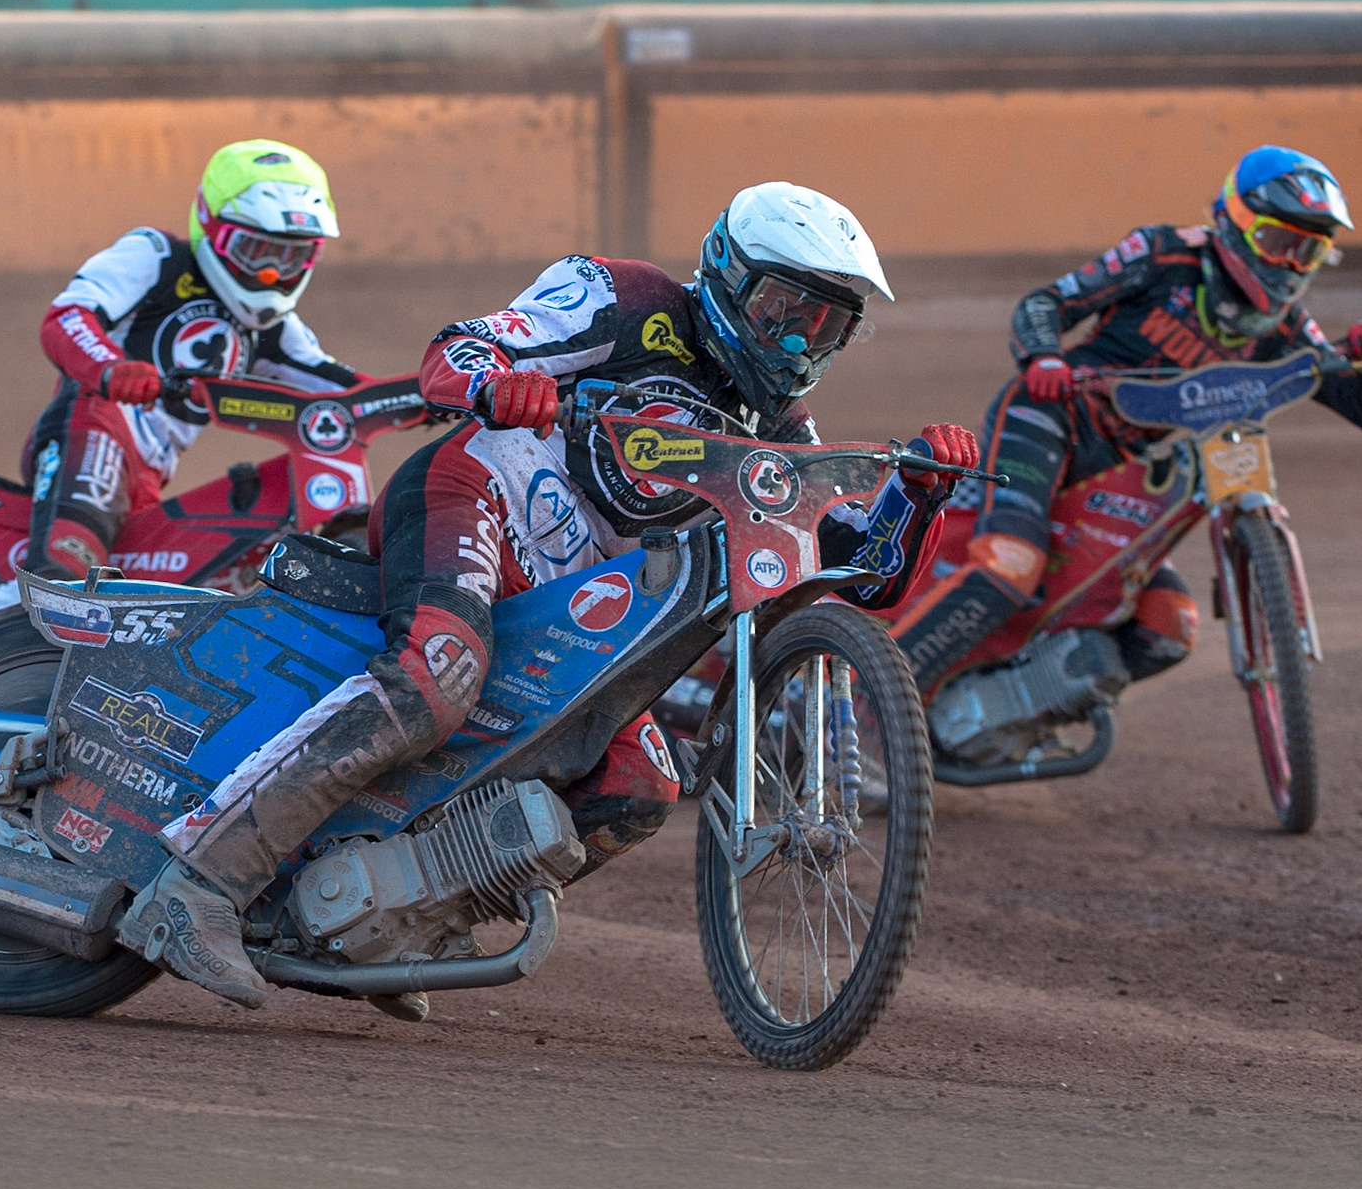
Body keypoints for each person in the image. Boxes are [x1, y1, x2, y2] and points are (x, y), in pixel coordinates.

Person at [122, 181, 980, 1012]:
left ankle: (397, 921)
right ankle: (196, 881)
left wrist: (920, 497)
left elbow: (865, 576)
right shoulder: (623, 296)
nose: (796, 343)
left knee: (641, 779)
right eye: (782, 311)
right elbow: (454, 350)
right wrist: (501, 382)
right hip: (474, 492)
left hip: (567, 600)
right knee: (436, 675)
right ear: (724, 269)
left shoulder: (779, 432)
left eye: (825, 327)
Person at [892, 145, 1362, 694]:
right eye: (1278, 242)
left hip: (1133, 471)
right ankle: (879, 702)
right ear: (1235, 221)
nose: (1288, 266)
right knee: (1010, 566)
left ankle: (1003, 702)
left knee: (1170, 624)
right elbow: (1044, 304)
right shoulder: (1162, 253)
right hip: (1052, 418)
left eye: (1309, 251)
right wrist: (1043, 358)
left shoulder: (1285, 328)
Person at [21, 139, 358, 578]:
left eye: (292, 255)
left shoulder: (274, 330)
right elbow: (68, 317)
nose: (272, 272)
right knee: (69, 574)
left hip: (148, 481)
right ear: (211, 226)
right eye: (256, 251)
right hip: (93, 427)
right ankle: (30, 608)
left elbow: (351, 392)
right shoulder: (156, 257)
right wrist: (110, 368)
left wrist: (439, 393)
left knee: (152, 601)